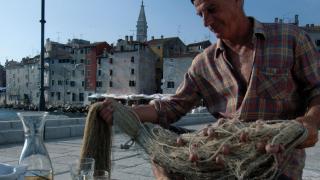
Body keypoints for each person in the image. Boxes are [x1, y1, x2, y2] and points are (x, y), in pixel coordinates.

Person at [99, 0, 320, 179]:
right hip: (222, 157)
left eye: (211, 9)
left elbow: (316, 91)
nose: (205, 22)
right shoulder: (203, 63)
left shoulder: (290, 39)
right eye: (200, 15)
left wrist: (310, 121)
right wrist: (123, 112)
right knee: (163, 151)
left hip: (277, 165)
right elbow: (173, 107)